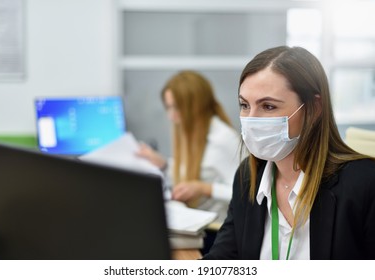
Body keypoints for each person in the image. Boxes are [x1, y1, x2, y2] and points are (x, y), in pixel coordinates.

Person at [203, 46, 375, 260]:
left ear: (314, 107)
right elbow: (223, 259)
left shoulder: (365, 185)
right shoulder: (248, 175)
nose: (251, 119)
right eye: (244, 105)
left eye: (268, 106)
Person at [137, 70, 242, 224]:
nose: (171, 116)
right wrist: (164, 164)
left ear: (196, 106)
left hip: (217, 230)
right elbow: (198, 172)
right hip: (196, 222)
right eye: (168, 108)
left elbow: (247, 194)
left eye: (177, 108)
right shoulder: (193, 132)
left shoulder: (223, 140)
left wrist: (204, 188)